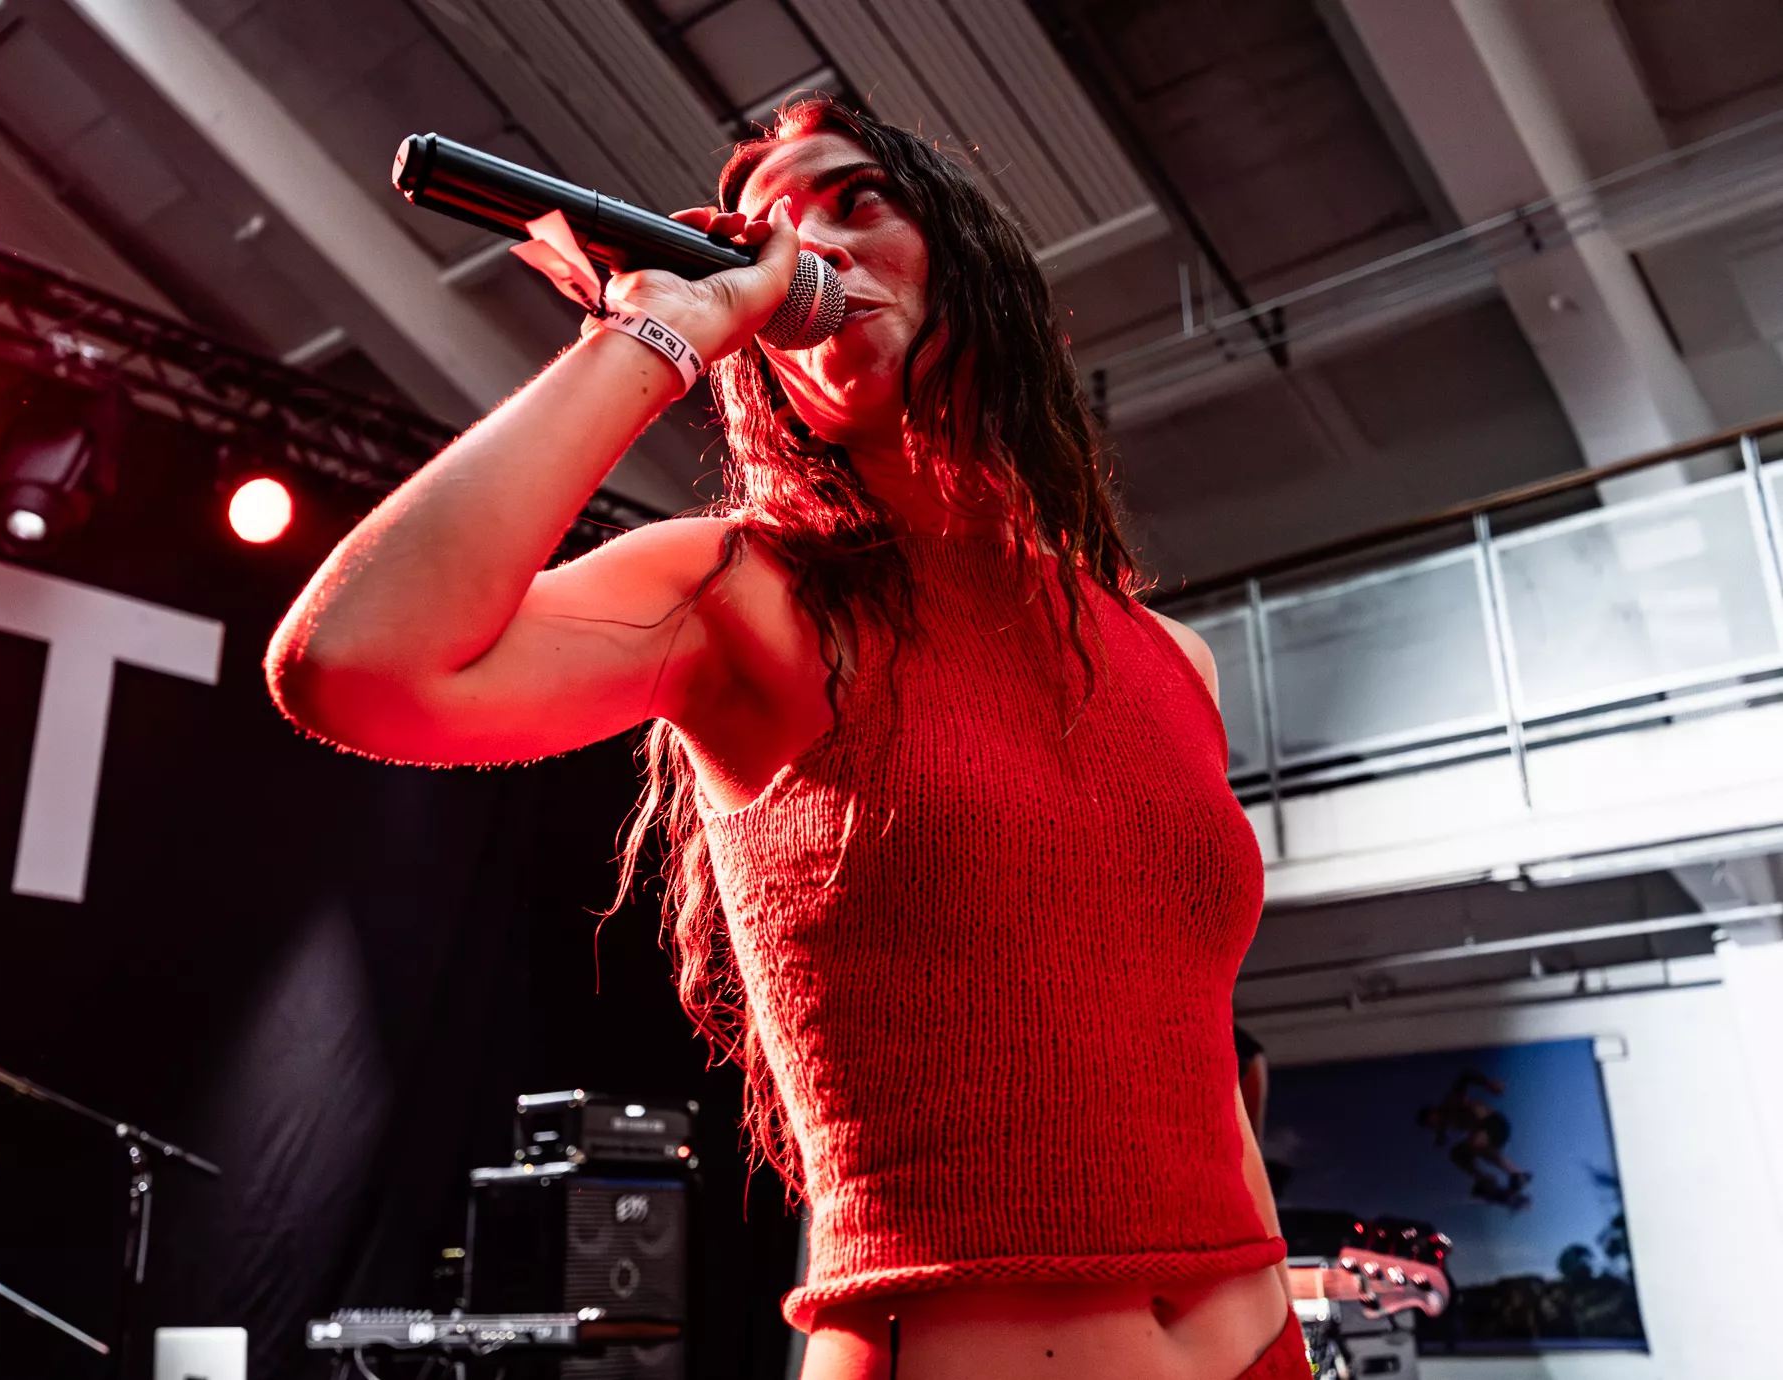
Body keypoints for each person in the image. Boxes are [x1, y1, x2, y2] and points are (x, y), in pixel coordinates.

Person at [267, 98, 1303, 1380]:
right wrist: (656, 330)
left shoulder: (1169, 656)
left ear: (968, 252)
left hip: (1261, 1339)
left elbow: (1199, 1054)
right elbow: (354, 665)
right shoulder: (741, 592)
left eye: (857, 202)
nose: (810, 250)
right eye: (766, 236)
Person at [1418, 1071, 1531, 1210]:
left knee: (1475, 1141)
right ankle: (1485, 1180)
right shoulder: (1441, 1126)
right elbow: (1441, 1131)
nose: (1437, 1125)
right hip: (1486, 1135)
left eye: (1434, 1121)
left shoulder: (1450, 1101)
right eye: (1432, 1126)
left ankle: (1516, 1173)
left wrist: (1488, 1084)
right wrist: (1440, 1138)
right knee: (1458, 1154)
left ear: (1434, 1112)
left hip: (1494, 1124)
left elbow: (1465, 1077)